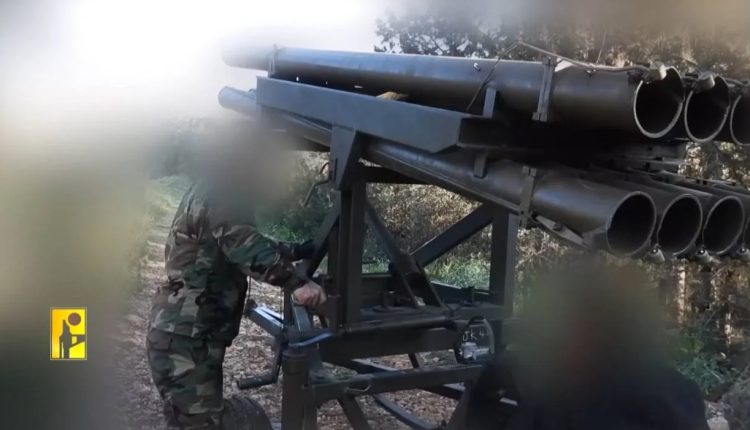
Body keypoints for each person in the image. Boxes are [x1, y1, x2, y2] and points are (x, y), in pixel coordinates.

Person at [146, 121, 326, 429]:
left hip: (186, 332)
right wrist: (297, 283)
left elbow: (231, 242)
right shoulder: (225, 192)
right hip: (186, 335)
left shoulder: (213, 186)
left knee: (190, 420)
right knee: (201, 423)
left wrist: (295, 250)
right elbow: (243, 244)